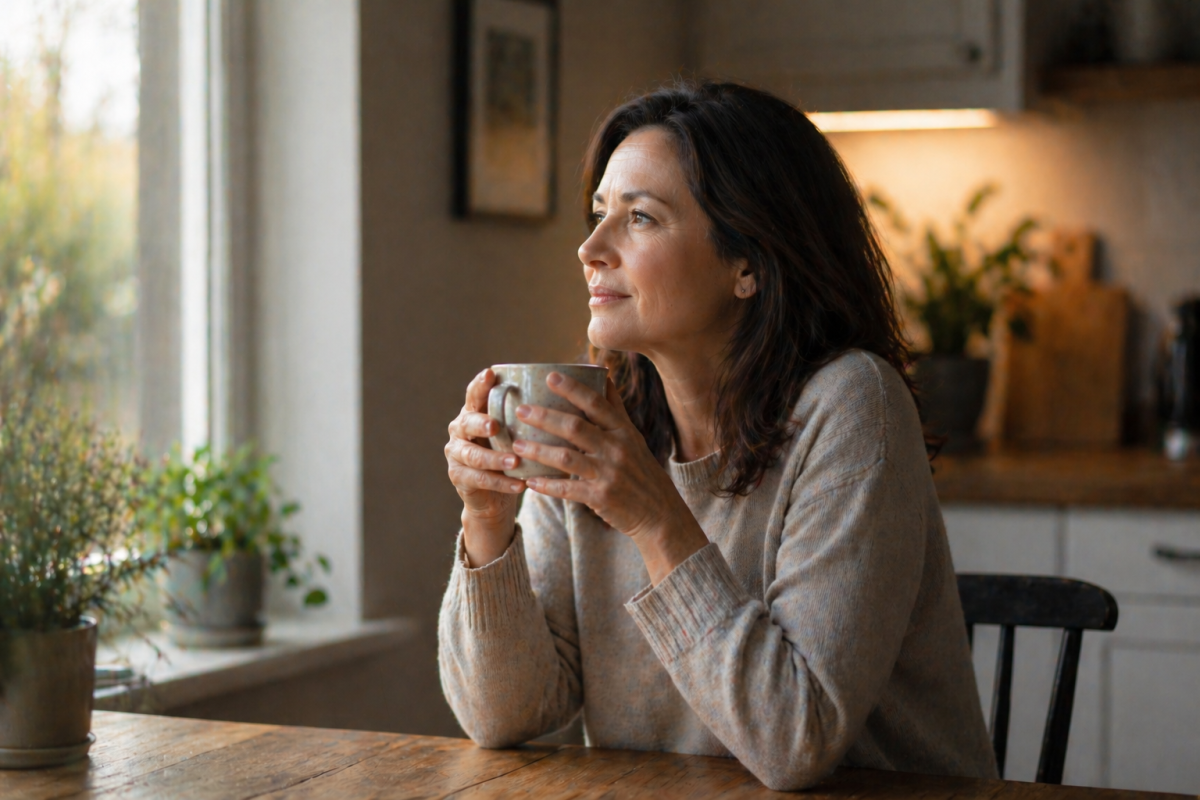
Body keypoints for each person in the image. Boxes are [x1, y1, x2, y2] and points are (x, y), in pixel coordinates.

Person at [439, 81, 997, 791]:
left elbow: (796, 739)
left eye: (639, 218)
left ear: (748, 264)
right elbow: (506, 714)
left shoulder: (853, 404)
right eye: (598, 214)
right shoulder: (597, 418)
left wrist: (651, 514)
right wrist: (487, 523)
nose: (590, 248)